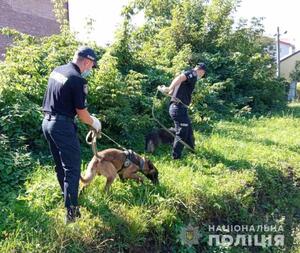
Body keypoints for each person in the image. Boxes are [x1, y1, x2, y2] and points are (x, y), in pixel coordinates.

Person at [42, 46, 101, 224]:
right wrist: (94, 122)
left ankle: (68, 200)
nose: (90, 69)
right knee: (73, 169)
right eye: (91, 65)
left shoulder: (57, 70)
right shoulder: (77, 80)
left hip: (47, 123)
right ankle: (72, 214)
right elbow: (82, 114)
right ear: (86, 61)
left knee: (61, 166)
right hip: (61, 126)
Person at [158, 63, 206, 159]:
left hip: (180, 108)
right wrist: (169, 88)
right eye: (203, 74)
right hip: (177, 108)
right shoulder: (192, 73)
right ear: (201, 71)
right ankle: (176, 157)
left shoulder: (190, 78)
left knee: (188, 130)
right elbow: (179, 78)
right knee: (182, 132)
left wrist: (170, 91)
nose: (202, 76)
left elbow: (177, 85)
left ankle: (192, 151)